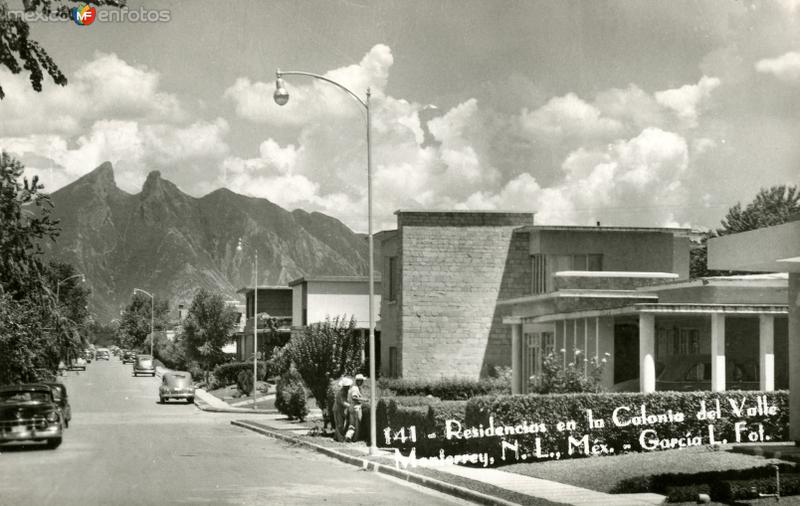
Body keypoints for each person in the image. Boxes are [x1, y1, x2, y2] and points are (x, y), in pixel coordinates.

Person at [345, 374, 365, 442]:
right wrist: (363, 400)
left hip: (351, 406)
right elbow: (354, 397)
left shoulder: (353, 387)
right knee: (357, 425)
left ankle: (348, 436)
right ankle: (355, 439)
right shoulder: (355, 388)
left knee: (352, 424)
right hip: (356, 407)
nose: (362, 382)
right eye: (361, 381)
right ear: (359, 381)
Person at [333, 377, 352, 442]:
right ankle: (340, 439)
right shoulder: (341, 393)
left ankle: (336, 437)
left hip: (342, 410)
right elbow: (343, 402)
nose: (349, 387)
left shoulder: (346, 392)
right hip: (337, 410)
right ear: (344, 386)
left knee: (341, 424)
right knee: (339, 424)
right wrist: (350, 405)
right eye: (347, 386)